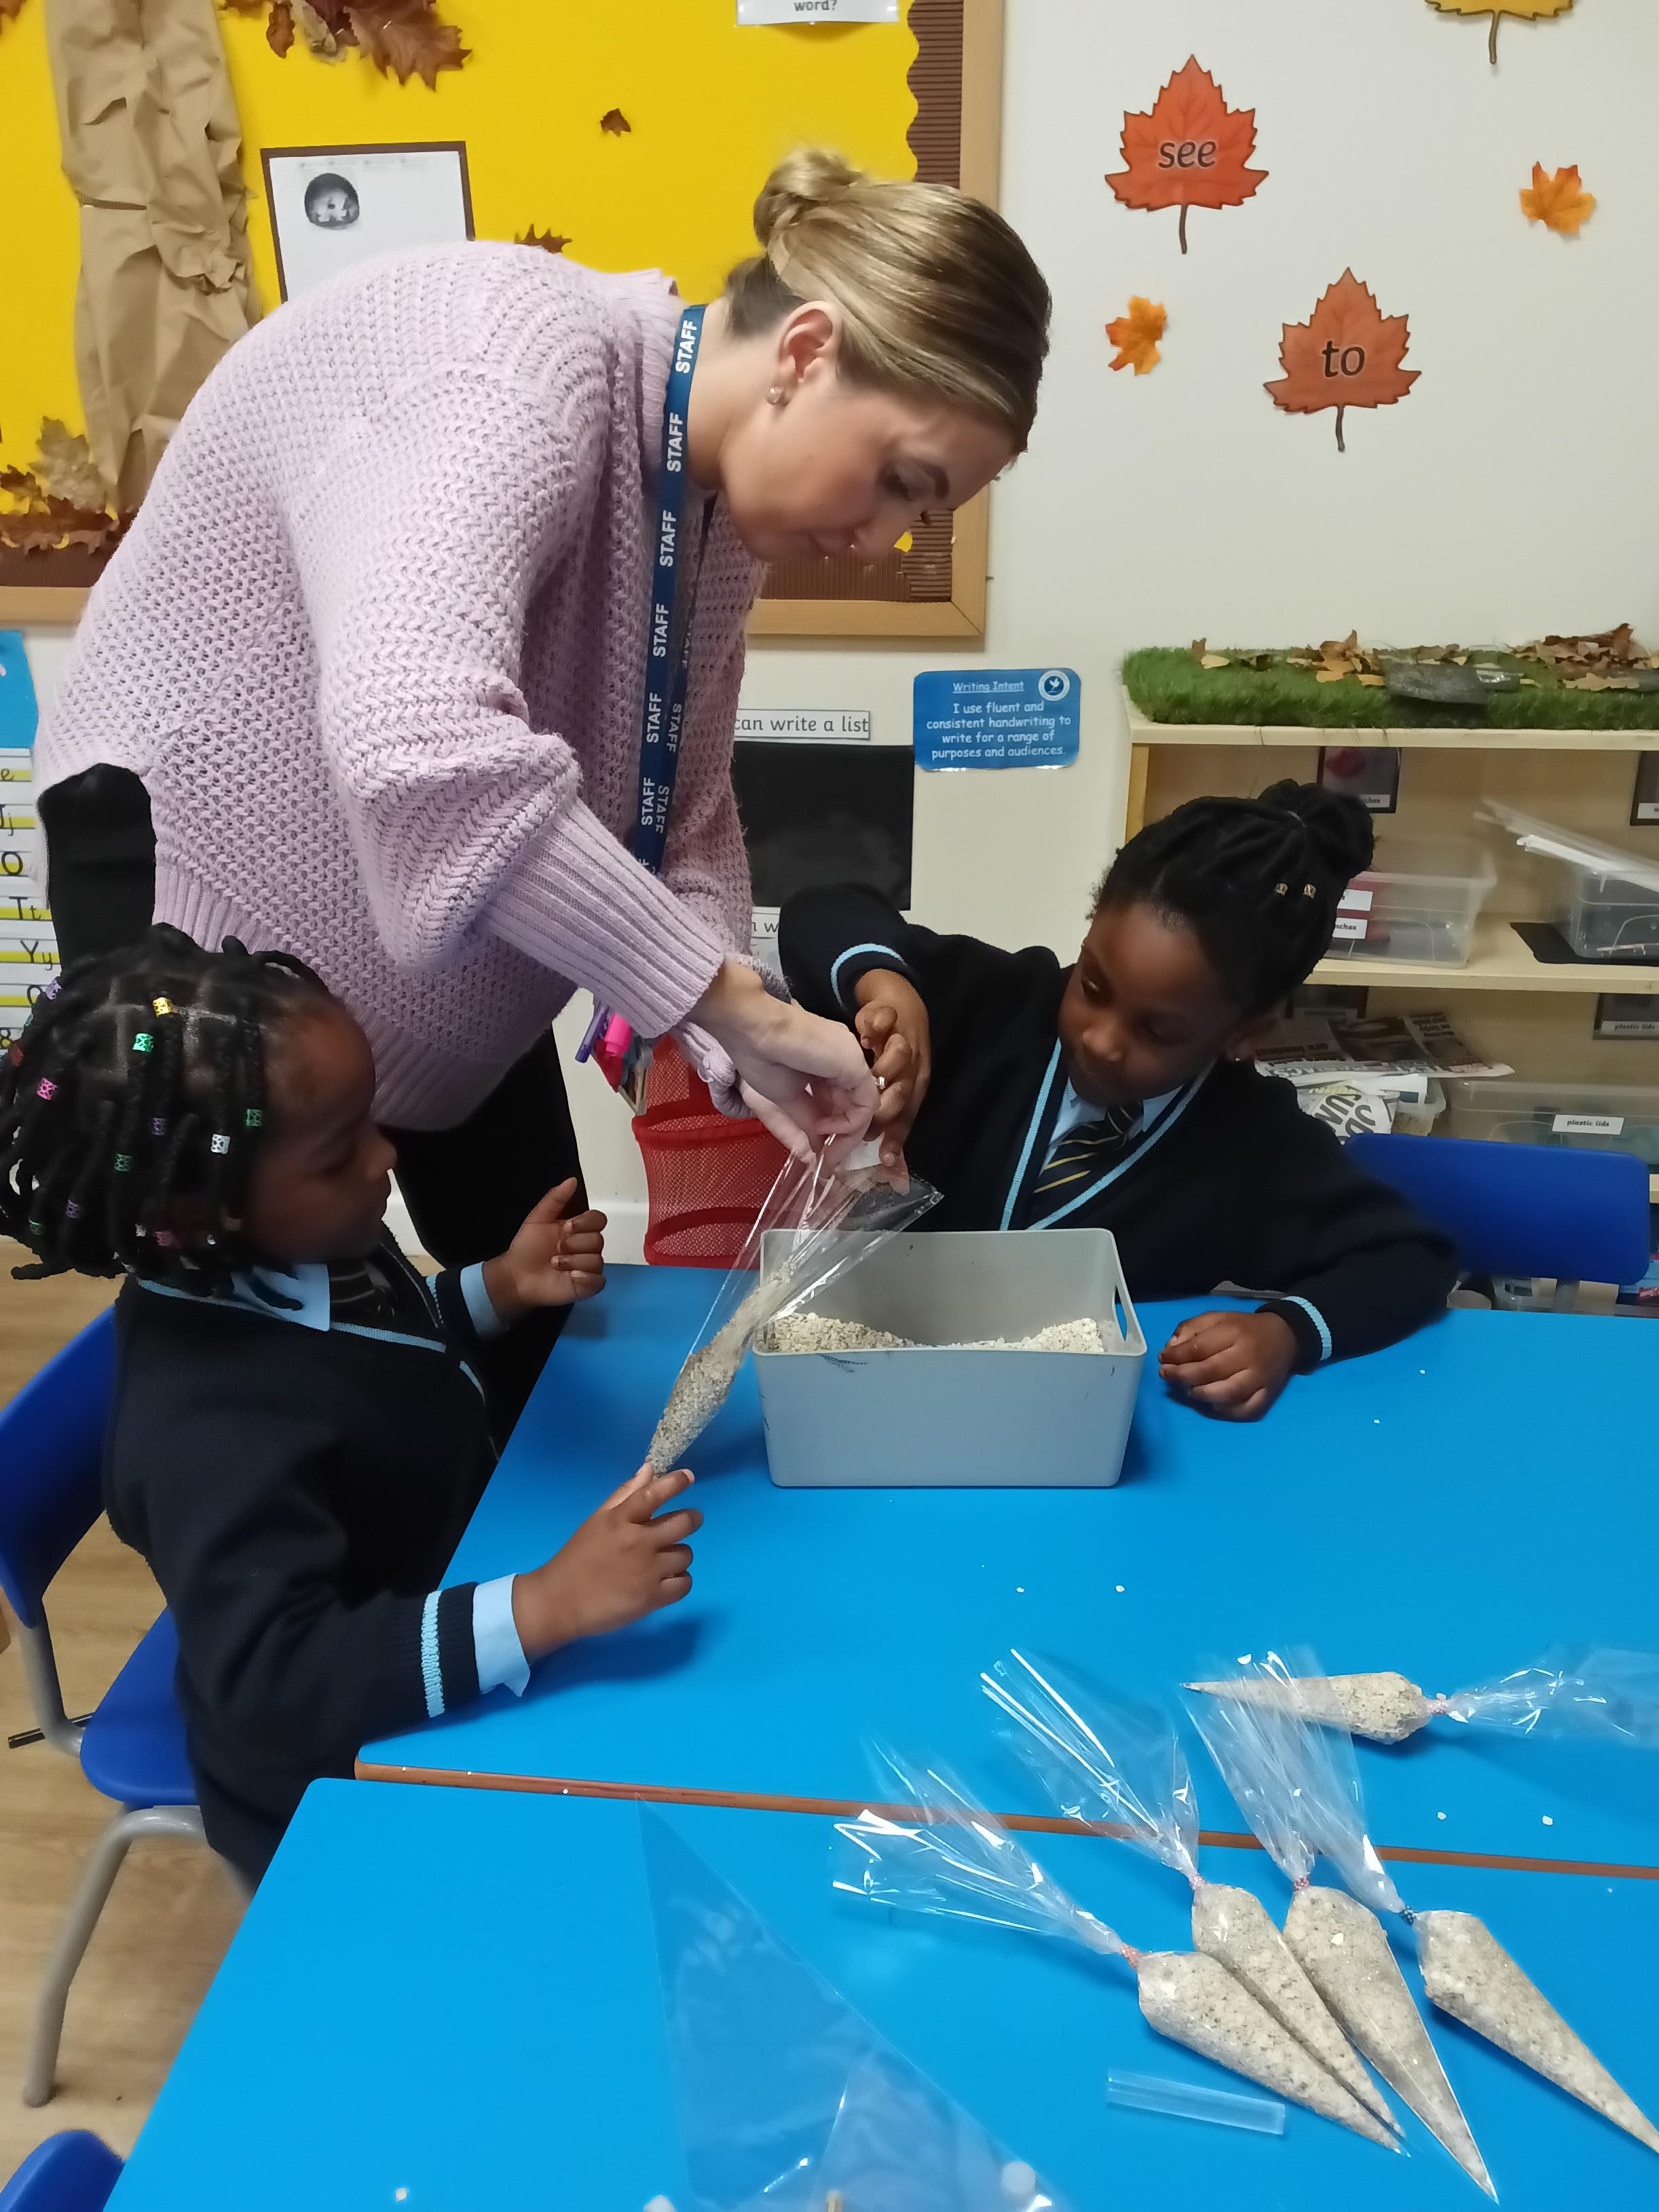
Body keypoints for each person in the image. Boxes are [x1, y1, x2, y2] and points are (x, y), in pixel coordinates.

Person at [35, 147, 1051, 1429]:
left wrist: (736, 1038)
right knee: (280, 1384)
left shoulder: (712, 512)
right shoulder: (502, 365)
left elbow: (686, 821)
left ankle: (508, 1531)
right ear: (804, 352)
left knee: (536, 1303)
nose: (888, 537)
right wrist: (725, 999)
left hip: (444, 937)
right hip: (208, 898)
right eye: (903, 479)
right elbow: (418, 743)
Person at [0, 928, 701, 1883]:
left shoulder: (307, 1249)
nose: (383, 1159)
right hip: (340, 1782)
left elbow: (380, 1353)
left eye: (371, 1120)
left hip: (446, 1585)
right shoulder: (209, 1428)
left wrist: (497, 1286)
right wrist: (545, 1605)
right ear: (203, 1210)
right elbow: (275, 1683)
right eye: (339, 1155)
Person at [780, 783, 1457, 1420]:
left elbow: (1410, 1261)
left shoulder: (1256, 1147)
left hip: (1074, 1418)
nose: (1102, 1041)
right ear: (1089, 929)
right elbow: (820, 911)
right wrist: (885, 986)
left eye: (1158, 1032)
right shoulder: (990, 1004)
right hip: (877, 1387)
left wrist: (1287, 1333)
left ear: (1244, 1033)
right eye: (1093, 987)